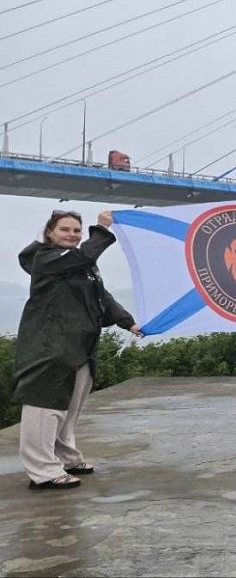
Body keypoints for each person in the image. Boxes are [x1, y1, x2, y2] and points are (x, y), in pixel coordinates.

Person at [12, 209, 141, 490]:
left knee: (70, 408)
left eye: (76, 230)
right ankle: (44, 471)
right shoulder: (45, 259)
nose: (72, 234)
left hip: (79, 345)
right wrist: (102, 229)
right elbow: (84, 255)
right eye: (64, 229)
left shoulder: (81, 265)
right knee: (45, 406)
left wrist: (128, 322)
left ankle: (65, 457)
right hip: (50, 347)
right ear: (49, 233)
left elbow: (102, 296)